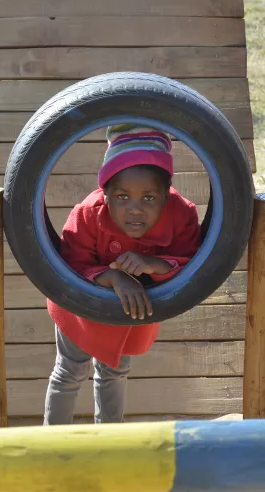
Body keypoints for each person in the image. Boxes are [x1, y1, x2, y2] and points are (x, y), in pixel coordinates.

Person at [44, 124, 201, 425]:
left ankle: (110, 444)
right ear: (106, 193)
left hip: (129, 307)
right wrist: (113, 277)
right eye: (122, 197)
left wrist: (156, 263)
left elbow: (192, 259)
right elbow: (69, 264)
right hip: (79, 302)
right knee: (70, 369)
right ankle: (53, 447)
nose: (135, 209)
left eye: (149, 198)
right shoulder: (89, 212)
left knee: (114, 369)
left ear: (166, 195)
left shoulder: (181, 214)